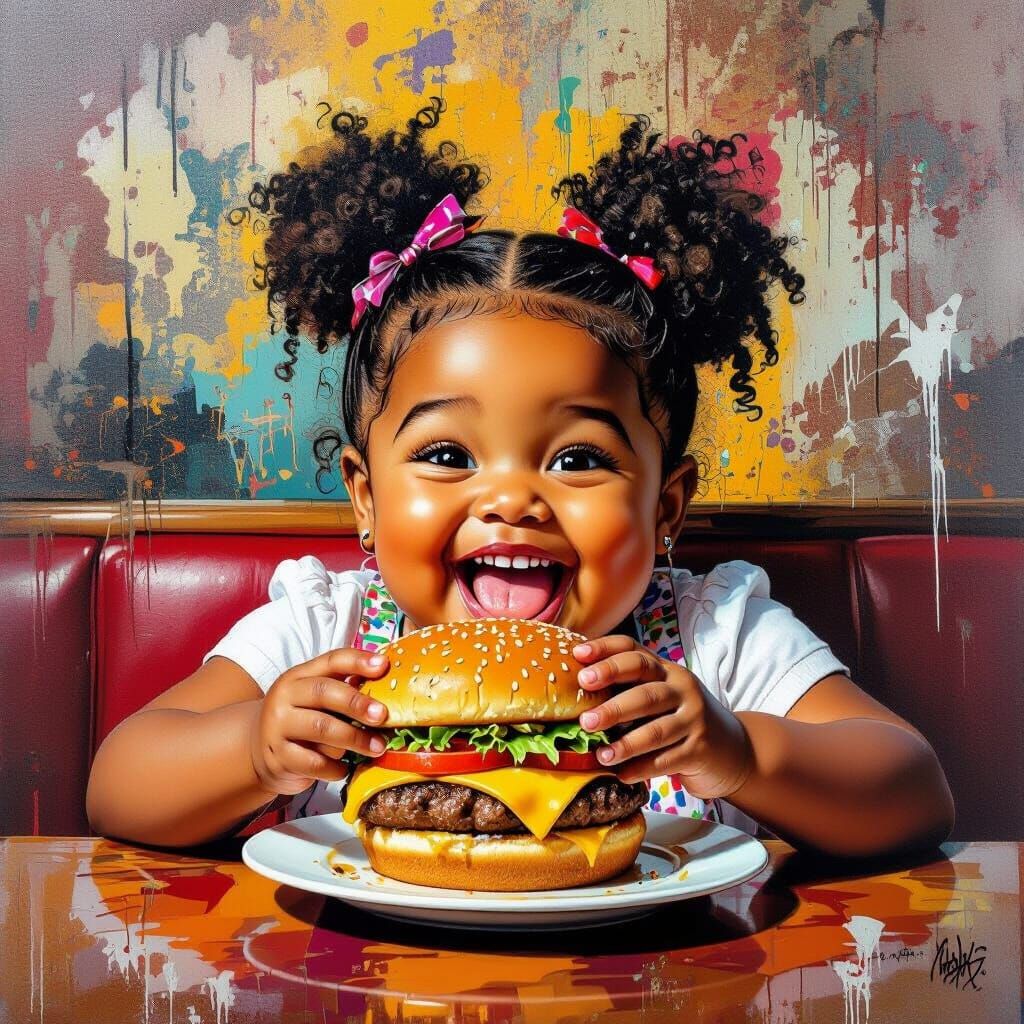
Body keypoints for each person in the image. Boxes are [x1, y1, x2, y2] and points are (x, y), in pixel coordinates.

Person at [87, 98, 954, 856]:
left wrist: (740, 752)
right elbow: (119, 781)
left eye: (578, 458)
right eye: (446, 455)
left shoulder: (715, 636)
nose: (509, 499)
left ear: (665, 507)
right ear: (365, 495)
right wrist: (253, 749)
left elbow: (915, 791)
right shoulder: (329, 632)